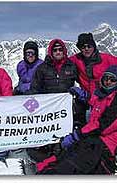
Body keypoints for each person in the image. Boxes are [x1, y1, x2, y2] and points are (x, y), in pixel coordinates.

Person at [36, 65, 117, 174]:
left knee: (80, 158)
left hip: (114, 140)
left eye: (112, 80)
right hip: (99, 136)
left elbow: (103, 126)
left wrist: (77, 135)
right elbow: (96, 102)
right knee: (75, 149)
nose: (108, 82)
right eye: (106, 79)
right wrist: (85, 96)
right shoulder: (105, 94)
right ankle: (46, 168)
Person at [26, 39, 80, 168]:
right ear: (50, 51)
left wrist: (80, 94)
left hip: (66, 110)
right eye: (55, 50)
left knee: (65, 135)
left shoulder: (71, 66)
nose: (58, 52)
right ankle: (48, 159)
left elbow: (81, 83)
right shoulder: (42, 68)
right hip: (48, 110)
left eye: (60, 49)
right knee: (48, 136)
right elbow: (35, 88)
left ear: (64, 51)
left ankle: (63, 156)